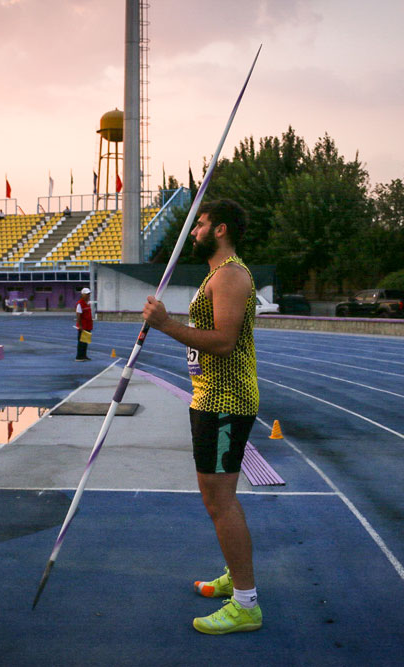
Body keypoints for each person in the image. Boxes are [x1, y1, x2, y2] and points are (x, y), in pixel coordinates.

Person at [142, 199, 262, 635]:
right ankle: (237, 576)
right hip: (209, 399)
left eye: (201, 225)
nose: (193, 232)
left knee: (220, 500)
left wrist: (165, 325)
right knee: (218, 499)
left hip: (227, 402)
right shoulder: (216, 275)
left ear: (220, 229)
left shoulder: (230, 275)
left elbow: (225, 341)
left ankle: (246, 603)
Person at [74, 287, 93, 361]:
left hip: (88, 326)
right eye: (87, 294)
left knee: (86, 342)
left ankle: (84, 355)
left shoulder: (88, 303)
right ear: (83, 295)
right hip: (83, 326)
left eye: (89, 294)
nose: (88, 296)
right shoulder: (80, 304)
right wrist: (80, 326)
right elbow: (78, 315)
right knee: (81, 342)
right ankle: (79, 356)